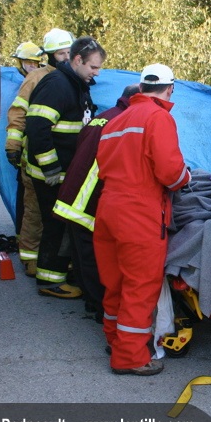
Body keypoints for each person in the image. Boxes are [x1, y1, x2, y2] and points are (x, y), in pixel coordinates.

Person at [93, 64, 191, 376]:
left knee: (114, 283)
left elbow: (102, 164)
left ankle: (115, 340)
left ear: (141, 87)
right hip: (140, 212)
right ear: (170, 88)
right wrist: (186, 177)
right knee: (140, 287)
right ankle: (130, 357)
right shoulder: (158, 117)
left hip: (108, 207)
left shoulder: (115, 121)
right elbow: (170, 173)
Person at [25, 36, 106, 298]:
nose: (97, 73)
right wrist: (50, 168)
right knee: (56, 225)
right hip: (51, 173)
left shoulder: (75, 84)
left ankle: (56, 272)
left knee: (60, 224)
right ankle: (50, 281)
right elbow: (37, 127)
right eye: (93, 67)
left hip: (63, 171)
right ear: (77, 60)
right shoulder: (57, 85)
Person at [53, 83, 140, 322]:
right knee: (93, 257)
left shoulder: (102, 117)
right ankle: (100, 307)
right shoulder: (124, 122)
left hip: (72, 192)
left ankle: (91, 301)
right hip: (88, 197)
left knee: (81, 255)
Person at [5, 30, 74, 277]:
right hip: (36, 158)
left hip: (63, 160)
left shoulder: (72, 78)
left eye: (69, 52)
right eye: (61, 53)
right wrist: (13, 146)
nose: (66, 58)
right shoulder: (37, 78)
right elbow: (19, 112)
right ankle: (31, 258)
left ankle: (53, 258)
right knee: (34, 211)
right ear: (50, 55)